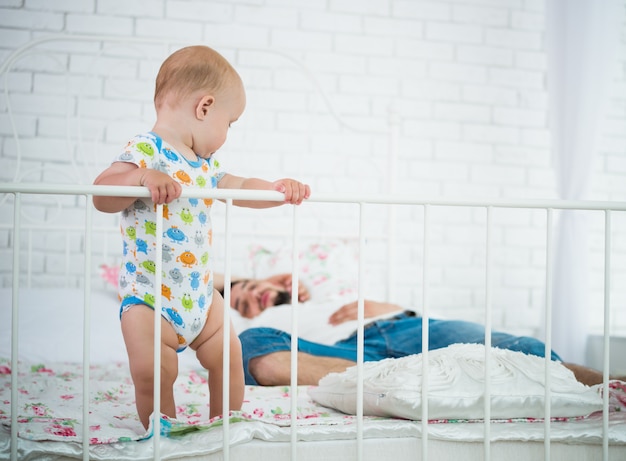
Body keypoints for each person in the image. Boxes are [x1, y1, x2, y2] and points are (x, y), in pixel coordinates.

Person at [92, 45, 310, 430]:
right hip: (150, 296)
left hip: (200, 296)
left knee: (229, 354)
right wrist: (141, 178)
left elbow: (241, 187)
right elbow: (102, 192)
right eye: (231, 122)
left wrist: (276, 190)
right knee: (154, 370)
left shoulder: (205, 167)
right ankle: (163, 431)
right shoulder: (146, 151)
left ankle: (226, 423)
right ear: (205, 107)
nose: (228, 133)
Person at [215, 273, 618, 388]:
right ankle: (410, 380)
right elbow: (200, 281)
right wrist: (232, 291)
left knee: (522, 347)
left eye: (252, 288)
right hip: (346, 353)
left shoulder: (324, 285)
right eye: (241, 302)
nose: (251, 301)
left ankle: (610, 386)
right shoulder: (247, 322)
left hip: (410, 326)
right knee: (253, 349)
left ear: (275, 279)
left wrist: (390, 309)